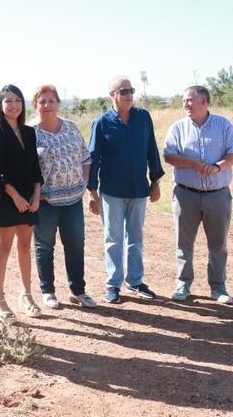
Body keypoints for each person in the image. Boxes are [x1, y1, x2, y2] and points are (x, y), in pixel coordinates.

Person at [87, 77, 164, 304]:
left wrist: (155, 180)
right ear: (112, 94)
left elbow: (151, 149)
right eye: (123, 91)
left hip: (139, 189)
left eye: (131, 90)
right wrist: (92, 192)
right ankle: (113, 284)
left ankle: (135, 281)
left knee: (136, 237)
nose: (129, 94)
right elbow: (94, 158)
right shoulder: (101, 123)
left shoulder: (143, 118)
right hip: (112, 191)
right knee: (113, 239)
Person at [163, 85, 233, 304]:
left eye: (190, 100)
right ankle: (183, 284)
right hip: (185, 195)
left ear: (204, 103)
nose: (186, 105)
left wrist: (217, 167)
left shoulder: (223, 125)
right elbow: (168, 156)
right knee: (183, 243)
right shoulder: (177, 128)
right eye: (183, 101)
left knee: (218, 244)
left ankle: (218, 287)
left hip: (218, 195)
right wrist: (191, 163)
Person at [31, 85, 98, 309]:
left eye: (51, 101)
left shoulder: (69, 127)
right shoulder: (30, 132)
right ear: (35, 105)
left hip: (73, 200)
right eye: (42, 102)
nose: (47, 105)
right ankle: (47, 291)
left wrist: (84, 183)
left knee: (75, 244)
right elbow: (23, 168)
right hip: (45, 203)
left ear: (58, 103)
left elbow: (85, 157)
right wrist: (34, 193)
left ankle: (78, 290)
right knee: (44, 246)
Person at [0, 84, 44, 322]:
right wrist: (15, 196)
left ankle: (26, 295)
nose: (13, 105)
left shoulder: (29, 132)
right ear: (0, 105)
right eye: (8, 100)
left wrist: (36, 193)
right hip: (6, 199)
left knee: (25, 247)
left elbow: (35, 167)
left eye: (17, 100)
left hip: (29, 199)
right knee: (4, 247)